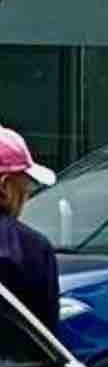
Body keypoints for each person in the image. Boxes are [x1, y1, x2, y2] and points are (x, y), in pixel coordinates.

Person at [0, 125, 57, 330]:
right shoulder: (32, 248)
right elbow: (43, 339)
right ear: (5, 187)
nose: (27, 197)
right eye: (27, 187)